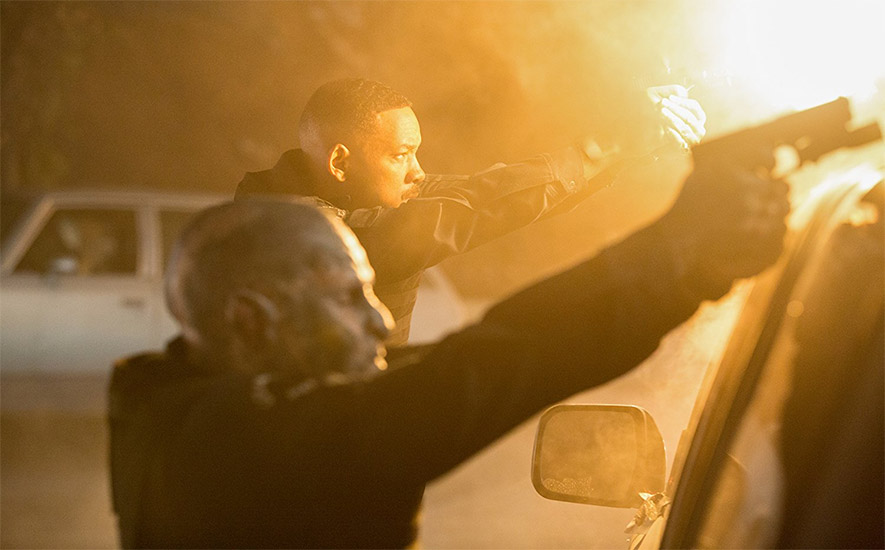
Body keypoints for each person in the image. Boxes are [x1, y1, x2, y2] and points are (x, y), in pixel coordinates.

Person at [109, 145, 788, 549]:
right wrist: (678, 260)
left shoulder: (170, 408)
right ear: (251, 321)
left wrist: (677, 265)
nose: (380, 322)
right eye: (346, 299)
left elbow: (460, 357)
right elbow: (493, 363)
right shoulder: (248, 448)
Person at [235, 78, 707, 345]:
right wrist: (607, 147)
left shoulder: (363, 197)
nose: (419, 171)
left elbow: (489, 193)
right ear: (340, 162)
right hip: (314, 459)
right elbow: (468, 212)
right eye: (401, 155)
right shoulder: (297, 234)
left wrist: (620, 152)